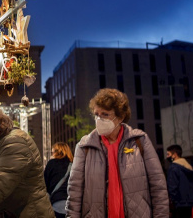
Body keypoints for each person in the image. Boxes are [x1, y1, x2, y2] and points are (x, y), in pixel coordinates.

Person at [66, 88, 169, 217]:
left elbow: (158, 187)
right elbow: (74, 193)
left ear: (120, 117)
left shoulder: (140, 141)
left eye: (105, 114)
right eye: (96, 114)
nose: (99, 119)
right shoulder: (84, 146)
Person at [44, 142, 73, 218]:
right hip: (72, 205)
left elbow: (44, 184)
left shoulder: (52, 163)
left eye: (52, 151)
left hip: (56, 203)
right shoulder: (73, 164)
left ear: (57, 152)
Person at [166, 144, 193, 218]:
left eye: (168, 154)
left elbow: (172, 187)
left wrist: (173, 201)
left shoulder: (173, 168)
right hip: (189, 203)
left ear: (174, 155)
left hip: (178, 204)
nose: (167, 156)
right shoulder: (189, 167)